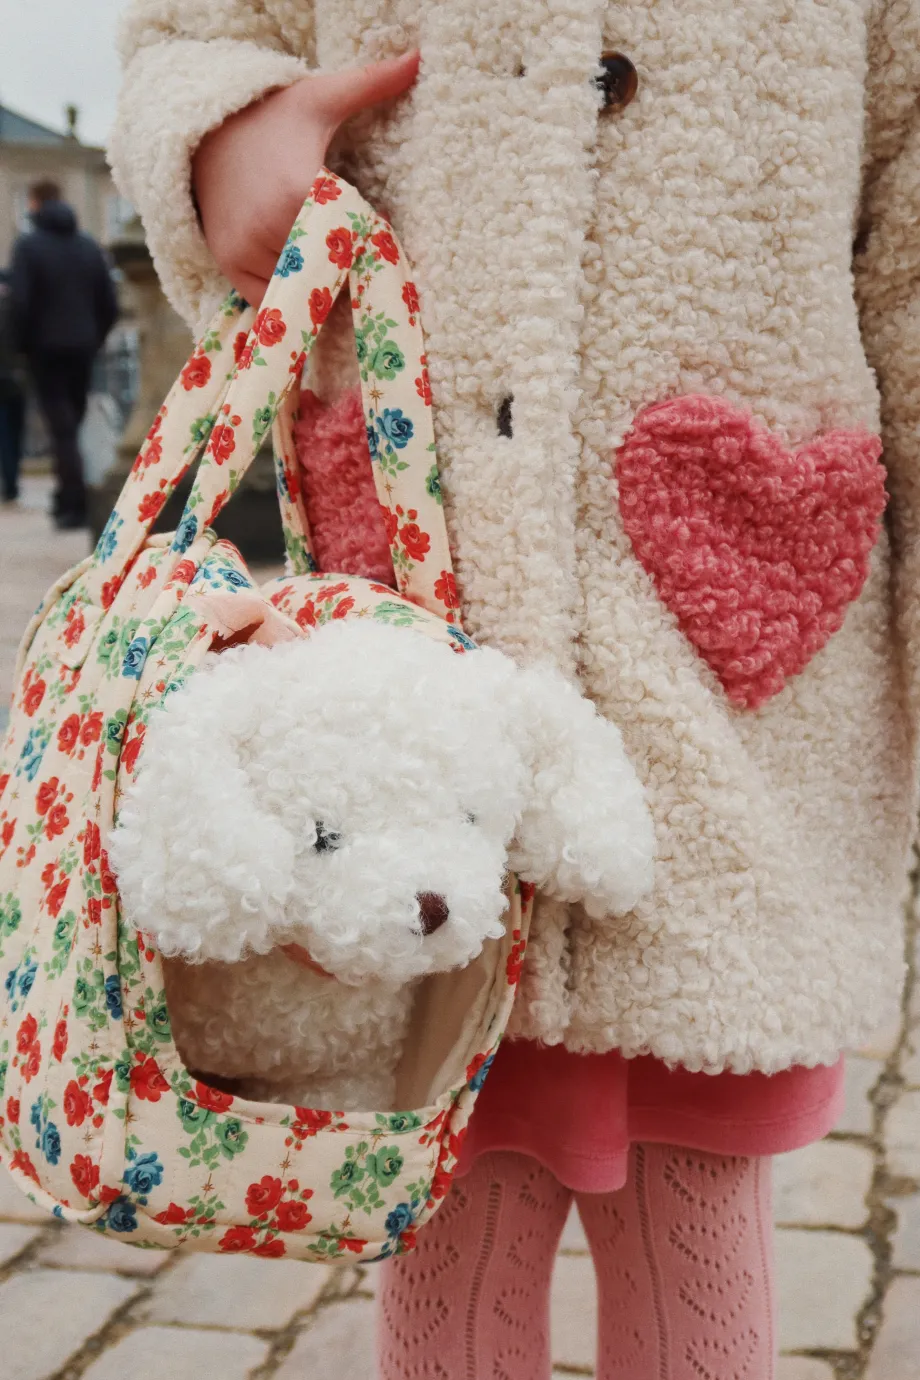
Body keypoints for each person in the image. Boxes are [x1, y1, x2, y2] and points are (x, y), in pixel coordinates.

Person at [109, 6, 920, 1376]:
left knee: (695, 1165)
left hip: (732, 671)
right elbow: (189, 29)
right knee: (438, 1147)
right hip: (417, 623)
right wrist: (216, 133)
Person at [10, 180, 118, 529]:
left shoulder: (29, 247)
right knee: (72, 422)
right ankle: (71, 496)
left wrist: (21, 347)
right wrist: (93, 338)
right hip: (83, 347)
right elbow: (109, 303)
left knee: (62, 428)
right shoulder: (88, 247)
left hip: (46, 350)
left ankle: (73, 503)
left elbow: (20, 303)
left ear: (35, 204)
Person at [0, 269, 25, 505]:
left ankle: (10, 484)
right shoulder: (16, 309)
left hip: (10, 381)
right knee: (13, 435)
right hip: (16, 380)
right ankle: (11, 484)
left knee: (7, 435)